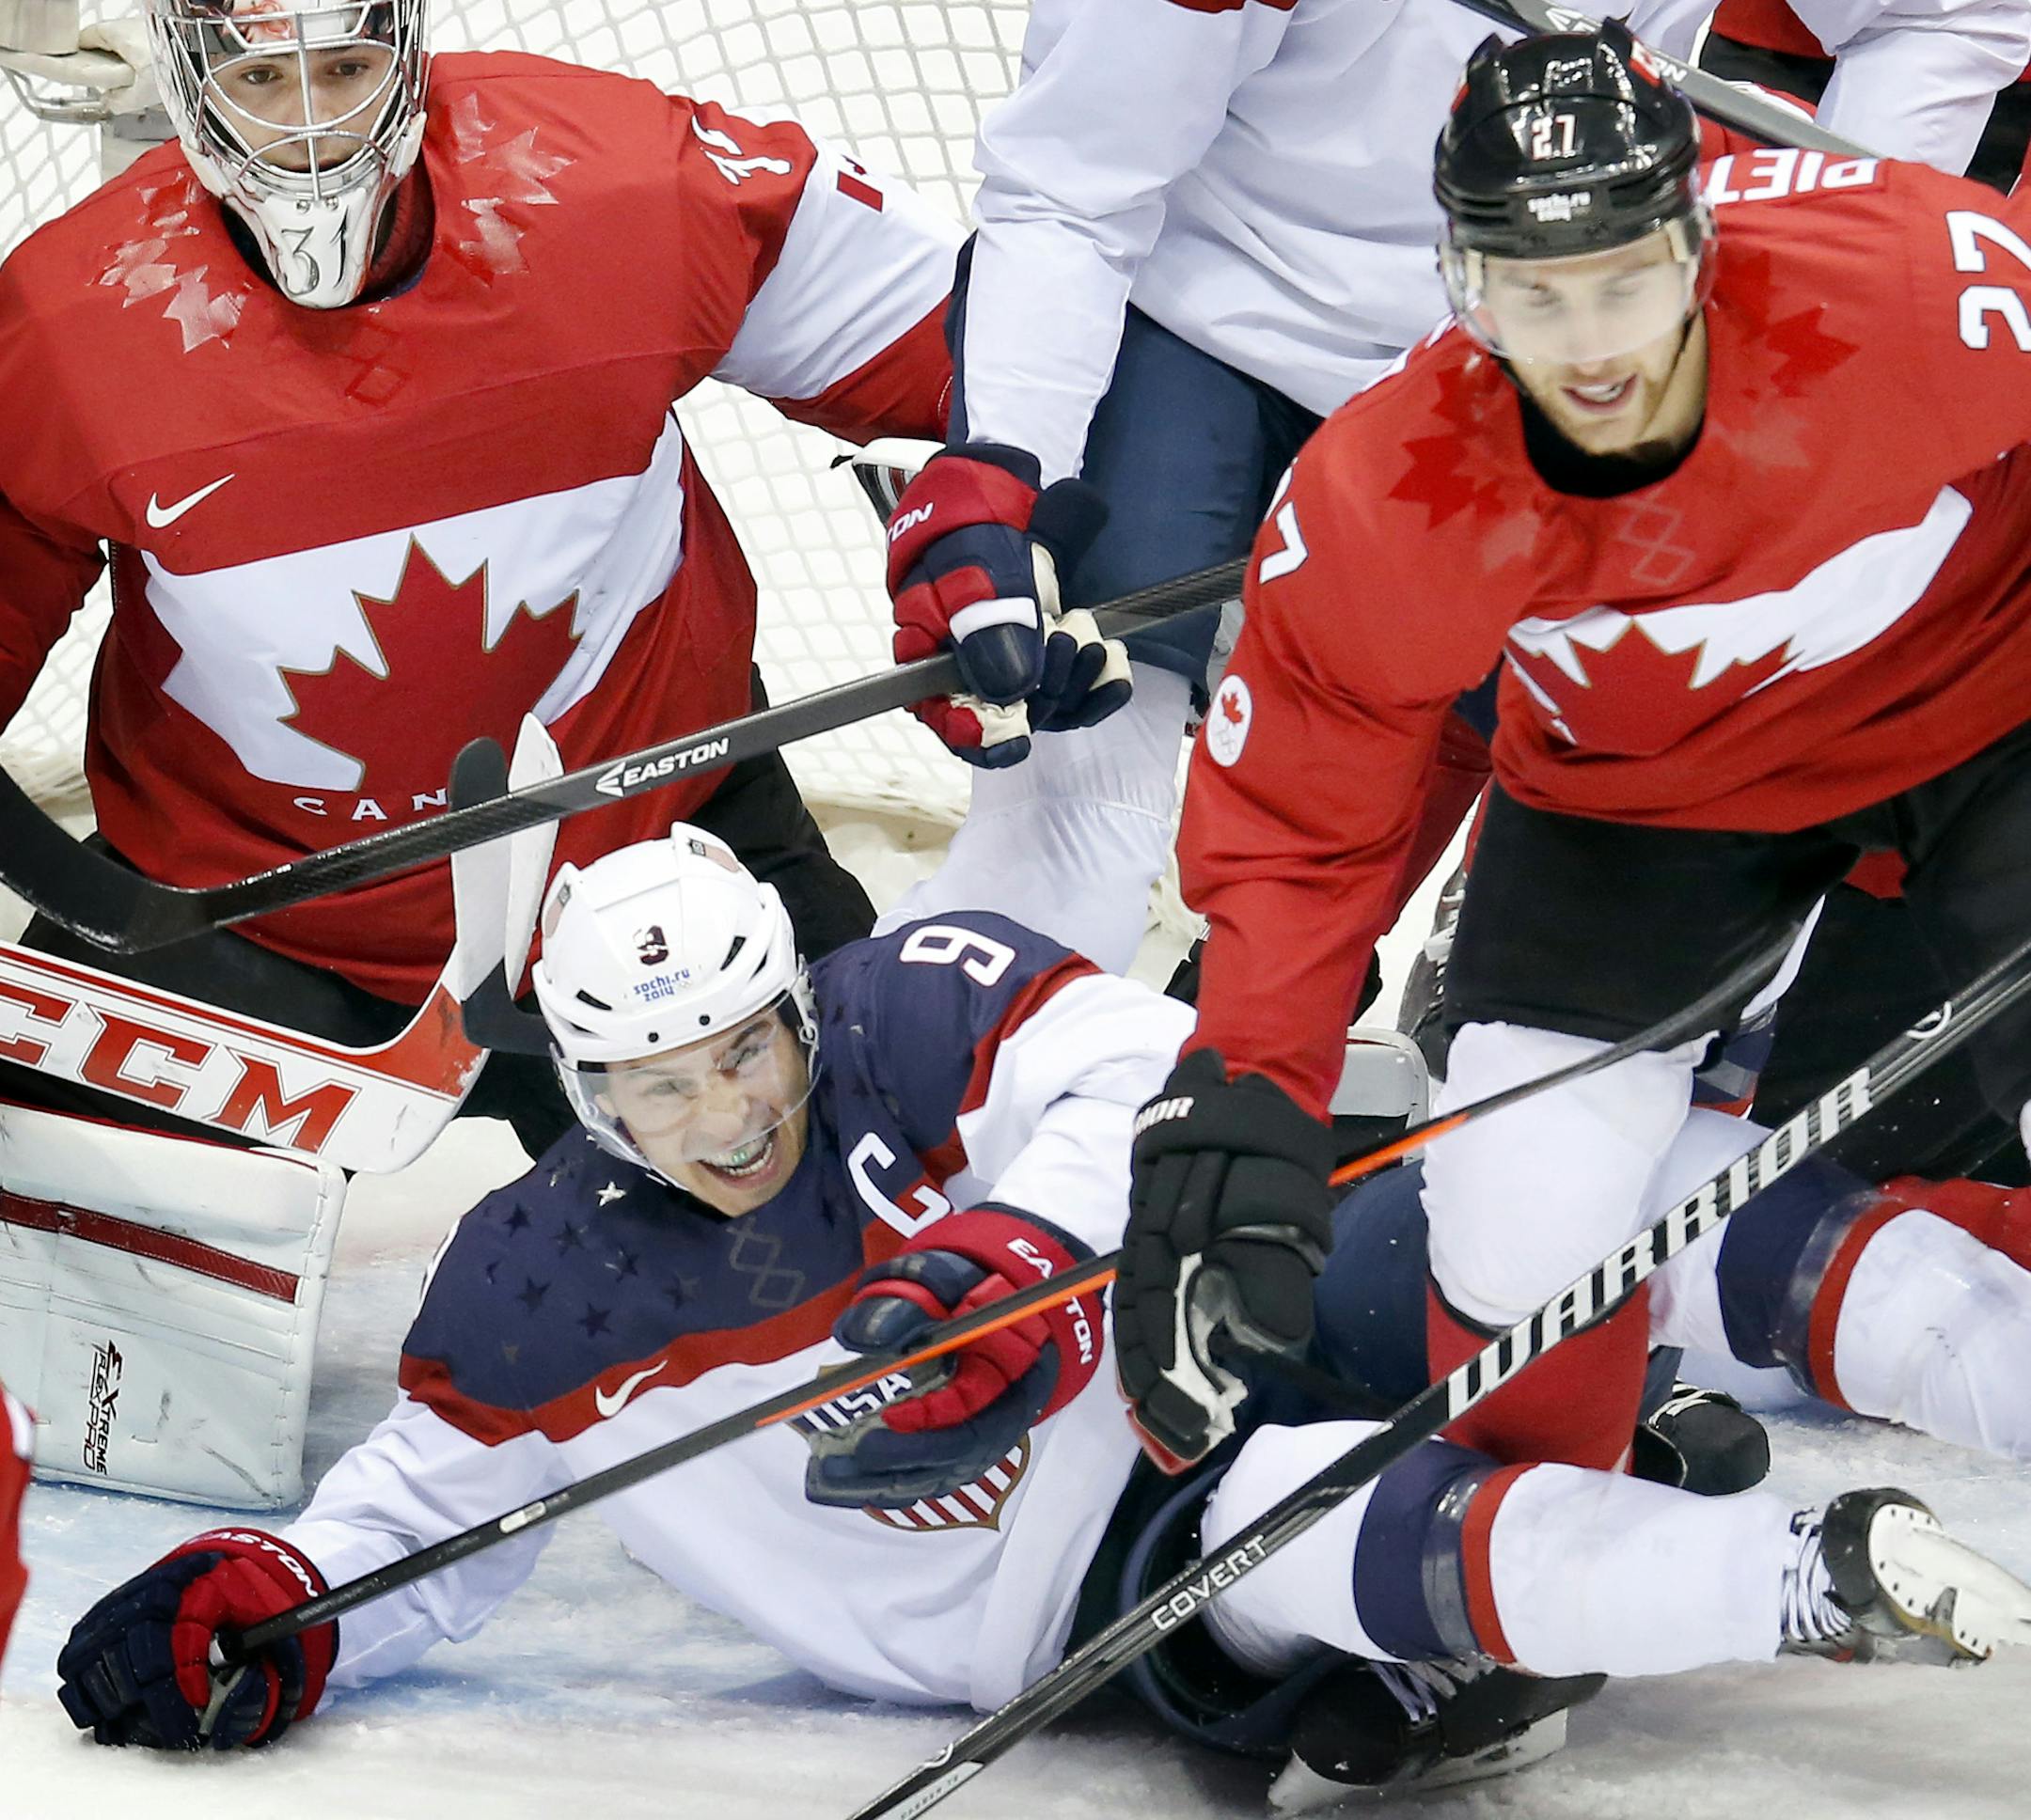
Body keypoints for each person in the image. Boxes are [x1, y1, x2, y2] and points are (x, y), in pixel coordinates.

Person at [50, 829, 2031, 1800]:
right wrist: (265, 1592)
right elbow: (402, 1517)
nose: (724, 1118)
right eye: (655, 1092)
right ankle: (1808, 1574)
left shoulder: (911, 1001)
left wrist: (1008, 1265)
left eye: (744, 1055)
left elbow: (1144, 1066)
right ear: (584, 1101)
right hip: (1108, 1552)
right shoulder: (535, 1285)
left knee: (1607, 1206)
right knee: (1338, 1529)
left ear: (794, 1003)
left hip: (1202, 1309)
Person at [1111, 24, 2031, 1481]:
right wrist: (1246, 1094)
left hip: (1986, 712)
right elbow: (1301, 819)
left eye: (1626, 282)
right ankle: (1524, 1573)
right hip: (1647, 803)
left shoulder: (1918, 280)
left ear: (1697, 241)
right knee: (1521, 1212)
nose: (1593, 348)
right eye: (1535, 298)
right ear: (1463, 286)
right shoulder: (1392, 491)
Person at [870, 0, 2031, 980]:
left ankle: (1288, 1048)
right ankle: (968, 1119)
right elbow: (1074, 184)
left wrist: (1814, 235)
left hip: (1530, 350)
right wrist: (1008, 461)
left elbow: (1947, 9)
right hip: (1205, 317)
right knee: (1082, 787)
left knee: (1408, 851)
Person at [0, 0, 970, 1163]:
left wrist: (1009, 534)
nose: (312, 130)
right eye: (261, 80)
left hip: (657, 860)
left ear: (407, 46)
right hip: (241, 920)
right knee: (46, 1249)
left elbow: (1004, 359)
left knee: (891, 1197)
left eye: (348, 66)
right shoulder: (62, 328)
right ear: (190, 78)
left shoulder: (618, 185)